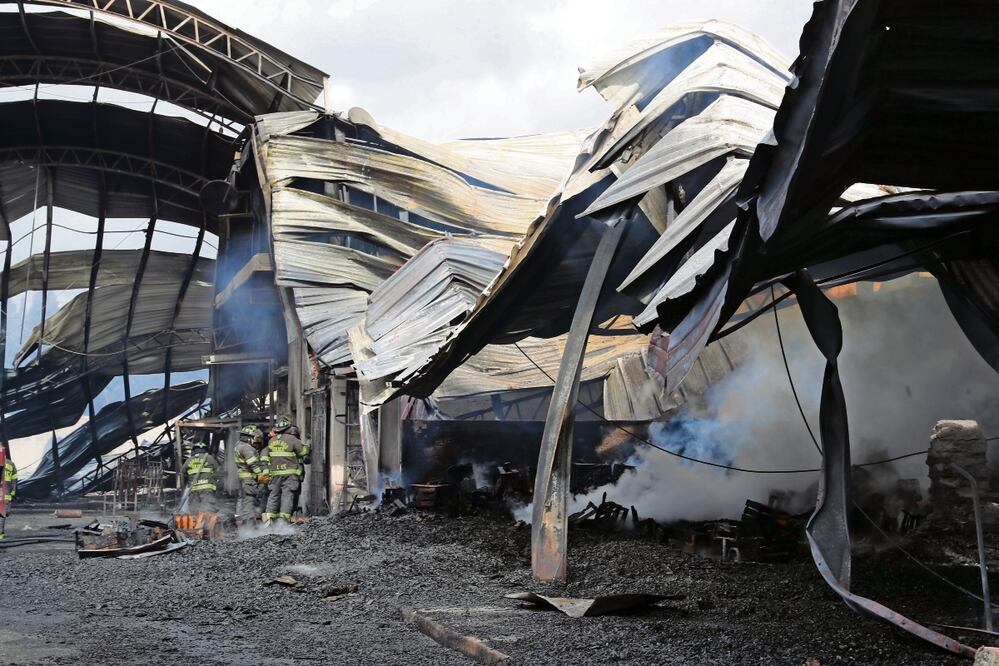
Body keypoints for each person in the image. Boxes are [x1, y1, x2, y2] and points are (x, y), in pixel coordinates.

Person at [261, 415, 308, 525]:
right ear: (288, 428)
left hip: (275, 474)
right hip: (290, 475)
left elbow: (266, 456)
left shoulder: (271, 441)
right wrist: (306, 447)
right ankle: (283, 523)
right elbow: (303, 453)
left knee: (274, 495)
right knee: (287, 496)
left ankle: (269, 520)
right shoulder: (292, 439)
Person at [234, 425, 267, 524]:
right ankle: (248, 524)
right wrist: (261, 475)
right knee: (249, 500)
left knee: (242, 500)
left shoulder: (238, 445)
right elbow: (253, 464)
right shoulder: (247, 448)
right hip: (248, 479)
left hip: (242, 478)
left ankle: (239, 520)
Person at [183, 440, 219, 513]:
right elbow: (217, 471)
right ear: (205, 450)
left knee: (194, 509)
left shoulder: (189, 460)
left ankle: (195, 520)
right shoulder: (210, 458)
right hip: (207, 489)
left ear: (194, 450)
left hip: (194, 489)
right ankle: (206, 520)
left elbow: (183, 472)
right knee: (208, 509)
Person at [1, 452, 16, 540]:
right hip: (6, 495)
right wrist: (13, 492)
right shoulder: (10, 463)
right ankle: (0, 534)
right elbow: (14, 480)